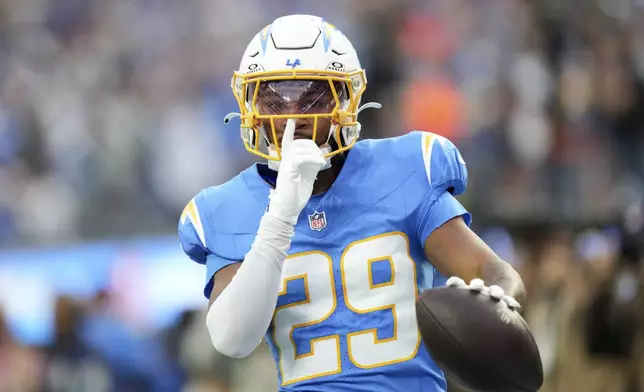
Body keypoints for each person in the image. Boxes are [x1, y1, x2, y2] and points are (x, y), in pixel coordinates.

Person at [179, 14, 525, 392]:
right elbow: (232, 339)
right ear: (250, 105)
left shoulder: (404, 169)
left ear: (345, 99)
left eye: (312, 96)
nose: (294, 115)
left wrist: (498, 298)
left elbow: (492, 270)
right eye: (274, 98)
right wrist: (280, 215)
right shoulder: (230, 207)